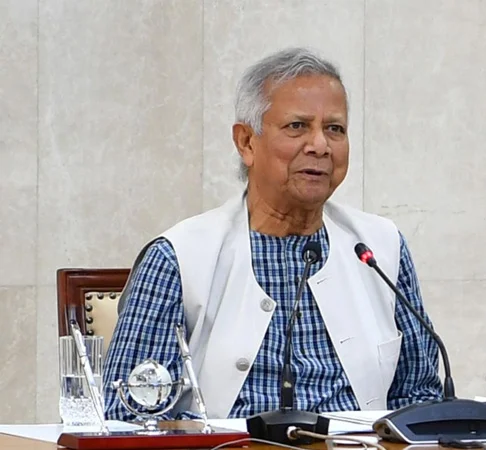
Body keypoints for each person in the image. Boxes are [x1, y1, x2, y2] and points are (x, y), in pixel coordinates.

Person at [102, 47, 442, 420]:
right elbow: (130, 413)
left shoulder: (379, 247)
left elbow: (421, 395)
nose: (320, 146)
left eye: (335, 129)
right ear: (247, 142)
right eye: (297, 126)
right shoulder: (178, 258)